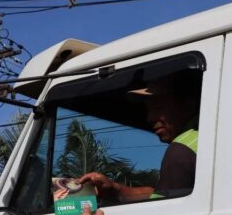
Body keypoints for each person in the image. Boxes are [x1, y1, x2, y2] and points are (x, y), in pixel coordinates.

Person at [79, 70, 201, 202]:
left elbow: (162, 210)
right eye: (149, 109)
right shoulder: (203, 139)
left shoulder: (181, 151)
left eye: (159, 107)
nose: (150, 118)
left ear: (188, 105)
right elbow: (163, 195)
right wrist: (115, 189)